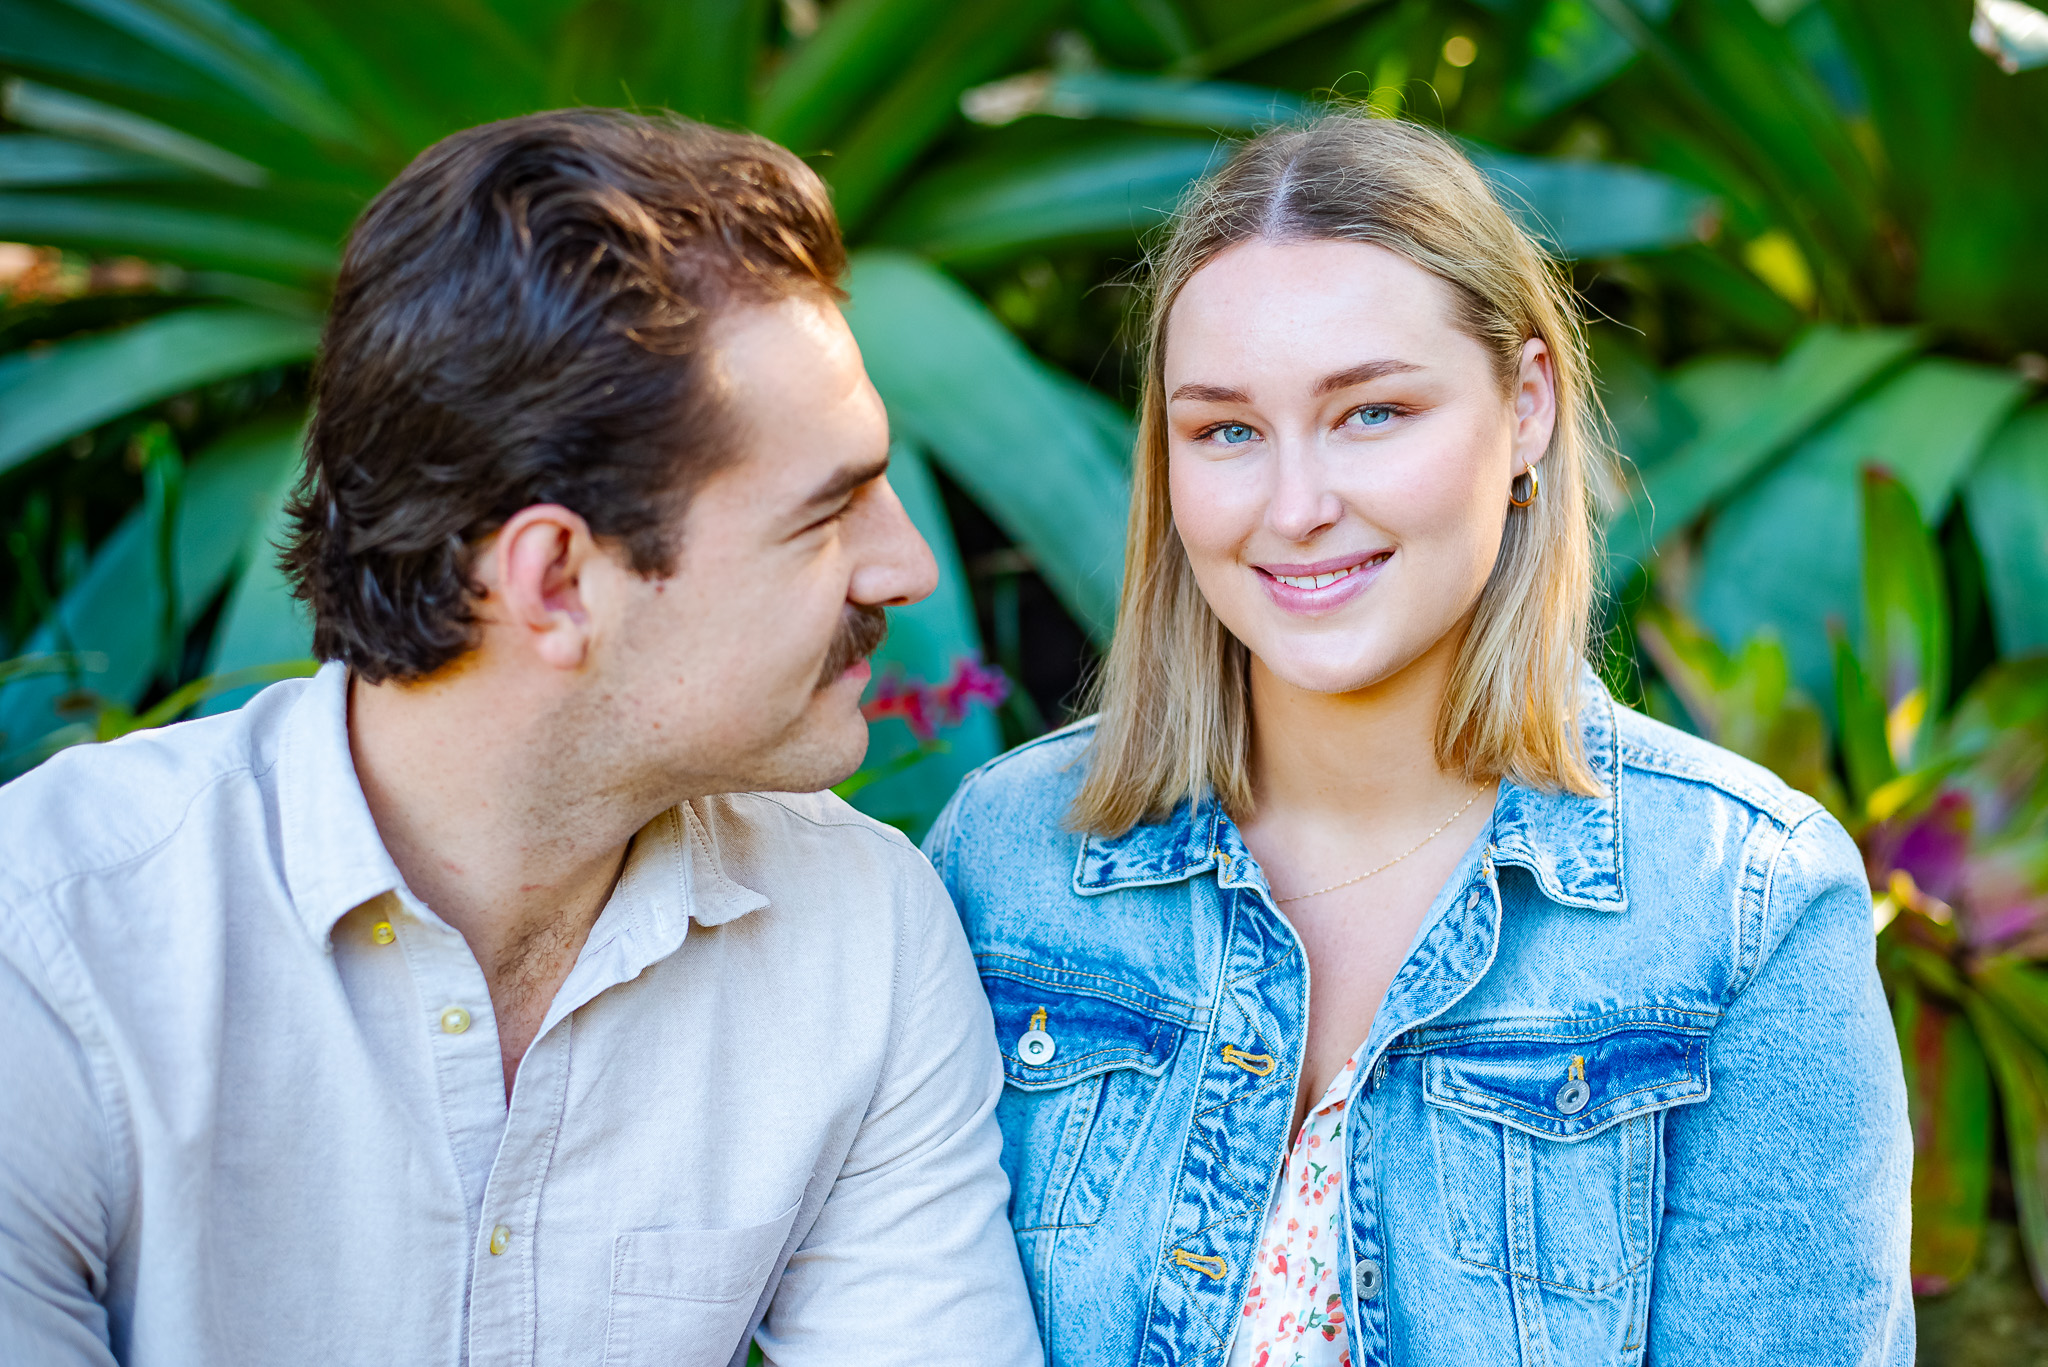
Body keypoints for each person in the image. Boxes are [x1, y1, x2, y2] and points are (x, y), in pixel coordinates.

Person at [0, 110, 1041, 1367]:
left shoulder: (861, 933)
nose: (909, 564)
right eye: (826, 514)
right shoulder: (48, 951)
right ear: (554, 580)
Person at [924, 113, 1912, 1366]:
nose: (1295, 506)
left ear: (1526, 405)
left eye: (1371, 412)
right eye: (1225, 429)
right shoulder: (1006, 860)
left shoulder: (1743, 906)